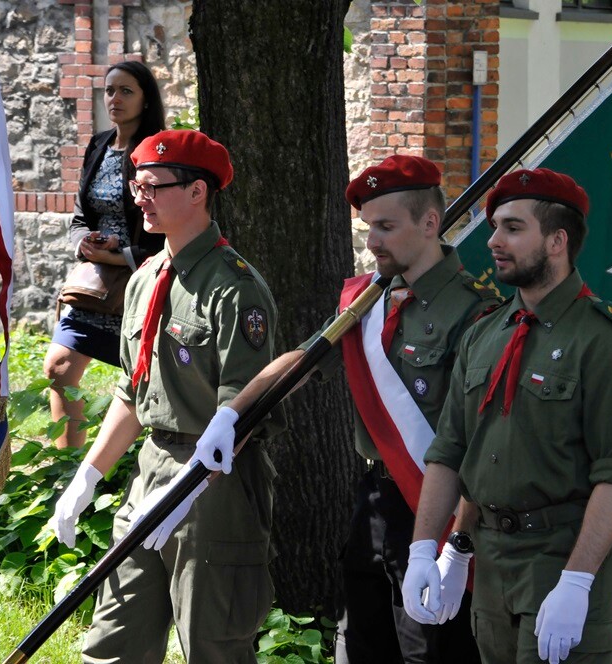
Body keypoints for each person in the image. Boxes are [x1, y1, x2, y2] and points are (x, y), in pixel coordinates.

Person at [194, 155, 499, 663]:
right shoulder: (369, 302)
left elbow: (482, 444)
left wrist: (457, 545)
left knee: (430, 652)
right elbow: (305, 361)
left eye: (386, 226)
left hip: (439, 507)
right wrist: (233, 414)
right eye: (368, 228)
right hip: (374, 501)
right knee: (359, 648)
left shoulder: (476, 312)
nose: (372, 241)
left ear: (429, 223)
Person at [50, 129, 282, 663]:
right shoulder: (145, 278)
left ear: (197, 191)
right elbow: (132, 396)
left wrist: (183, 494)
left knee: (213, 647)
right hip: (151, 471)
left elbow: (241, 418)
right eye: (136, 184)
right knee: (113, 642)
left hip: (215, 486)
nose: (139, 197)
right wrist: (88, 477)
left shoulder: (236, 288)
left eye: (153, 185)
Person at [401, 168, 612, 664]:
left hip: (561, 556)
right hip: (492, 562)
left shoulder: (605, 341)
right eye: (496, 226)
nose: (493, 240)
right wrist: (439, 548)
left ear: (557, 241)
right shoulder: (485, 333)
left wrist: (577, 581)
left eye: (513, 228)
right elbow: (456, 451)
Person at [43, 61, 166, 448]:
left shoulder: (156, 151)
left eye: (126, 91)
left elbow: (168, 222)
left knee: (142, 383)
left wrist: (123, 256)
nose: (114, 99)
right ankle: (64, 473)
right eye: (109, 91)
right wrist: (85, 242)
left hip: (144, 278)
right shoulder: (98, 145)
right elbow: (81, 216)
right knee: (59, 369)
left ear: (146, 100)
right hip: (95, 282)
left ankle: (129, 467)